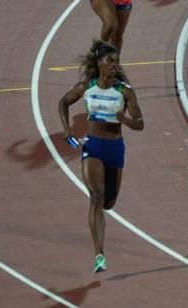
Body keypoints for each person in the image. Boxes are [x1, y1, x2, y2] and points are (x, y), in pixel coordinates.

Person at [59, 40, 144, 273]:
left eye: (117, 61)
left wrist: (124, 119)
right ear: (99, 63)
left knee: (109, 203)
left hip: (115, 149)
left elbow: (140, 123)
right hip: (93, 147)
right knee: (95, 197)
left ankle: (100, 245)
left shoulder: (124, 91)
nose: (115, 65)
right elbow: (63, 102)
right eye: (110, 61)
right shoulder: (86, 87)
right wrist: (67, 129)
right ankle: (99, 254)